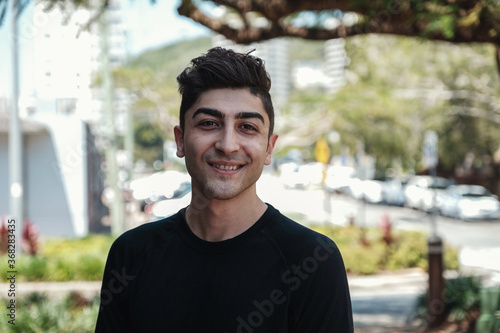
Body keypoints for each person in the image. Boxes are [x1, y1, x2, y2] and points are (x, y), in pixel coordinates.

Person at [96, 47, 353, 332]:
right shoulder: (132, 255)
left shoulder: (313, 261)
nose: (228, 144)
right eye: (209, 123)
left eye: (247, 127)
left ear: (269, 148)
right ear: (180, 140)